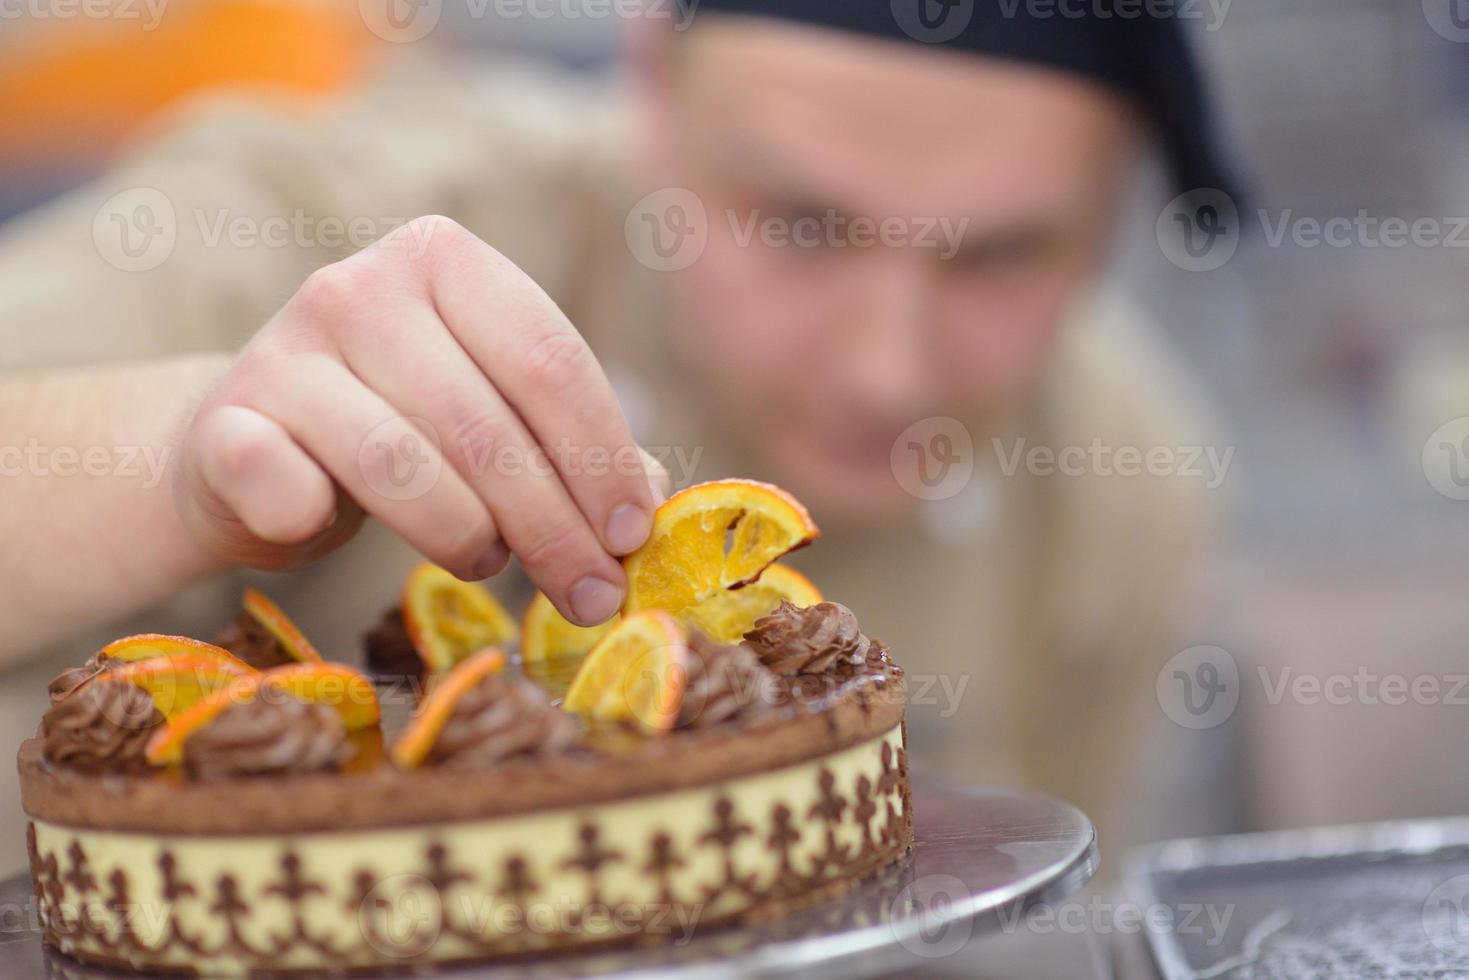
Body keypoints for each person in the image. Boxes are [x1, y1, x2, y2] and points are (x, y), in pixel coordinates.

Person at [0, 4, 1220, 859]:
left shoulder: (1120, 486)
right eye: (800, 224)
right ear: (650, 87)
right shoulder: (311, 224)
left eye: (999, 257)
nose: (885, 366)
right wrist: (174, 462)